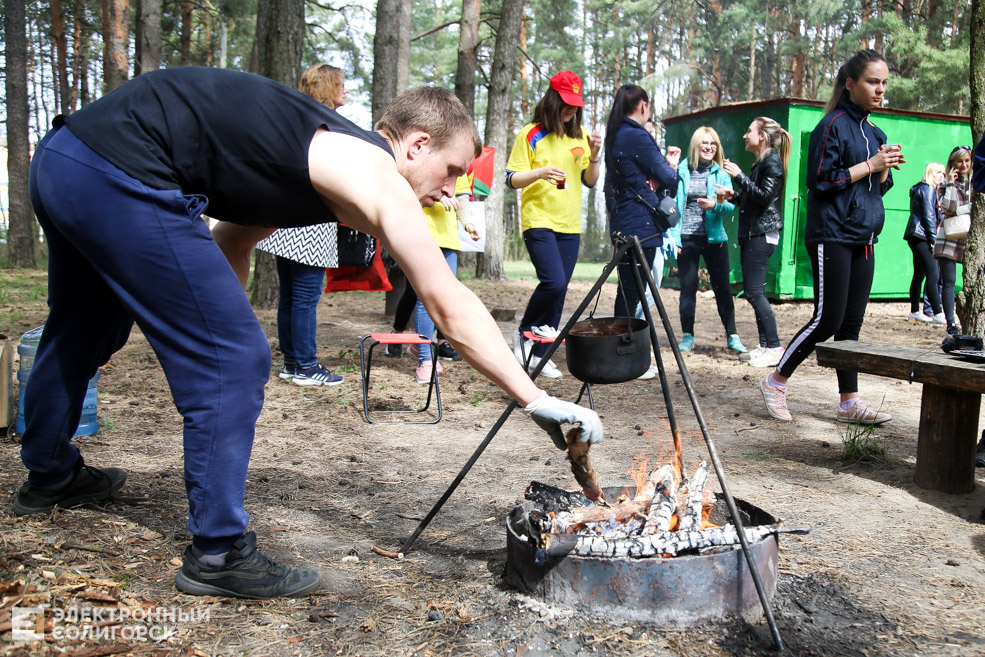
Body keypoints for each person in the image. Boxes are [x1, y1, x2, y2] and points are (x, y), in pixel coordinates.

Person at [18, 67, 603, 600]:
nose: (451, 189)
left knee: (83, 329)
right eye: (450, 169)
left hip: (65, 160)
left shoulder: (313, 158)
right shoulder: (373, 170)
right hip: (122, 172)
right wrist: (535, 398)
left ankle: (49, 473)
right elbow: (447, 304)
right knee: (235, 357)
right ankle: (217, 553)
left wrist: (205, 320)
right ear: (416, 144)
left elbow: (231, 241)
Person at [759, 49, 902, 424]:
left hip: (864, 237)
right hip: (832, 233)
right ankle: (775, 381)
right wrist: (870, 165)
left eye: (884, 83)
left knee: (851, 325)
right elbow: (821, 181)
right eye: (873, 81)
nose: (880, 89)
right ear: (851, 84)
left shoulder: (876, 132)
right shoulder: (832, 125)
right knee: (828, 320)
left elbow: (874, 191)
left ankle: (849, 402)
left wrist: (883, 170)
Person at [256, 64, 348, 386]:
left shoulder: (293, 120)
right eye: (341, 84)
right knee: (305, 298)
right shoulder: (326, 127)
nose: (346, 90)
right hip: (311, 223)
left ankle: (292, 363)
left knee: (291, 297)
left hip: (285, 221)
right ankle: (307, 367)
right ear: (328, 87)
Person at [506, 71, 602, 379]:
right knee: (554, 282)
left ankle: (540, 354)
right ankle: (523, 335)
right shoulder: (531, 133)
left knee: (559, 292)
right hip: (539, 219)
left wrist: (596, 155)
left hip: (570, 225)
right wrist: (539, 172)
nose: (571, 110)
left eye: (575, 104)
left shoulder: (580, 137)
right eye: (565, 103)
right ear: (552, 99)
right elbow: (511, 179)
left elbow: (590, 180)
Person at [602, 85, 680, 380]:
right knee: (633, 294)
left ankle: (622, 353)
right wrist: (670, 166)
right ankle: (626, 356)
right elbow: (670, 176)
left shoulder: (615, 135)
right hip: (641, 225)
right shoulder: (634, 134)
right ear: (643, 106)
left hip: (624, 221)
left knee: (628, 292)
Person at [719, 117, 790, 368]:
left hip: (763, 234)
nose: (744, 135)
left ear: (761, 136)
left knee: (755, 292)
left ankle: (774, 346)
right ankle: (764, 345)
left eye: (749, 131)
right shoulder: (762, 163)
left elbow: (764, 197)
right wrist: (734, 195)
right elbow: (755, 198)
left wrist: (739, 177)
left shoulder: (773, 163)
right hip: (754, 233)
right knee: (753, 291)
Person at [669, 126, 746, 354]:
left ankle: (732, 335)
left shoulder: (720, 174)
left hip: (714, 238)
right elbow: (672, 204)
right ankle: (687, 336)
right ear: (696, 145)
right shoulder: (682, 170)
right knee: (688, 287)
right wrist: (674, 238)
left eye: (713, 143)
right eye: (704, 142)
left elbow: (728, 206)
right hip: (687, 237)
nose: (709, 147)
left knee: (722, 288)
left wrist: (716, 204)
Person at [410, 175, 481, 382]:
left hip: (449, 239)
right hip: (421, 233)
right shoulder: (426, 154)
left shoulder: (461, 167)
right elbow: (407, 188)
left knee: (445, 298)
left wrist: (468, 224)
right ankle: (425, 359)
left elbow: (462, 198)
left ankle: (420, 345)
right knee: (426, 298)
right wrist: (437, 195)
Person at [935, 145, 973, 335]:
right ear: (953, 163)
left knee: (973, 280)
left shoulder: (977, 182)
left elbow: (978, 207)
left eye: (967, 160)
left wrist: (960, 209)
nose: (964, 164)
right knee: (949, 281)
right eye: (960, 161)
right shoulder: (944, 184)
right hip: (948, 238)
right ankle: (951, 324)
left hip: (970, 240)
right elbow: (948, 208)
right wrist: (950, 182)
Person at [903, 162, 945, 325]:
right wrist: (934, 241)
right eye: (938, 172)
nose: (941, 175)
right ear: (930, 173)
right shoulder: (928, 189)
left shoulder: (921, 188)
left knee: (919, 274)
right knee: (933, 274)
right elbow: (929, 217)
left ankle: (914, 311)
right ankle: (938, 313)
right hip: (922, 236)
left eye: (943, 173)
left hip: (916, 235)